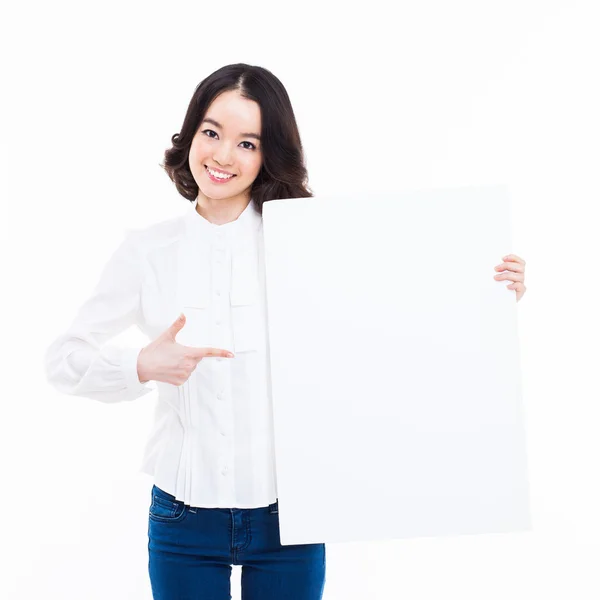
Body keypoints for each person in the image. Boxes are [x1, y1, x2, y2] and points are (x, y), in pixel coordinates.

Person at [44, 62, 528, 600]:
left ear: (268, 154)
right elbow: (63, 359)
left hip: (290, 517)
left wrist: (491, 290)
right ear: (190, 137)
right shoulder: (147, 252)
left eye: (247, 143)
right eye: (212, 133)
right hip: (183, 520)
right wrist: (140, 365)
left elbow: (401, 317)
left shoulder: (308, 240)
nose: (224, 156)